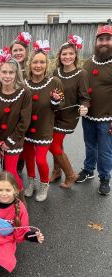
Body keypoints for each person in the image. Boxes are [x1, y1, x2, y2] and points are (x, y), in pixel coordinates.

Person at [23, 40, 64, 202]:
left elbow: (61, 104)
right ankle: (31, 183)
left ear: (47, 65)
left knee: (40, 159)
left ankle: (44, 184)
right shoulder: (24, 83)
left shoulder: (54, 82)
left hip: (44, 128)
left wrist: (55, 101)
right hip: (26, 129)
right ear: (30, 64)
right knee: (29, 158)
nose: (38, 65)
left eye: (41, 62)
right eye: (35, 62)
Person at [0, 49, 32, 192]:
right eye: (4, 72)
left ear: (16, 74)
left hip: (14, 140)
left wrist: (9, 142)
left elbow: (24, 122)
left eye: (11, 72)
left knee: (11, 172)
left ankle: (19, 198)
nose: (7, 76)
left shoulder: (24, 93)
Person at [49, 35, 90, 188]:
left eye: (70, 54)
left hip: (68, 116)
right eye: (64, 54)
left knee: (53, 145)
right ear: (60, 56)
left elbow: (84, 96)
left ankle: (71, 174)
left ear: (75, 55)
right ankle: (57, 171)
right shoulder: (56, 73)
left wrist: (84, 106)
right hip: (54, 114)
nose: (67, 57)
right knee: (57, 144)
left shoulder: (81, 74)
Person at [76, 25, 112, 195]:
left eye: (108, 39)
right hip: (89, 116)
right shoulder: (89, 63)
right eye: (101, 39)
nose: (103, 43)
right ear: (96, 42)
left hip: (107, 118)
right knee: (90, 145)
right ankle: (89, 169)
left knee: (105, 151)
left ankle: (104, 177)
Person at [10, 32, 32, 174]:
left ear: (26, 51)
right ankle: (11, 167)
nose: (18, 53)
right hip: (13, 113)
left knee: (27, 146)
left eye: (20, 50)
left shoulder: (32, 68)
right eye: (15, 50)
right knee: (12, 141)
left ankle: (20, 167)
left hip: (30, 112)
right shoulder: (8, 69)